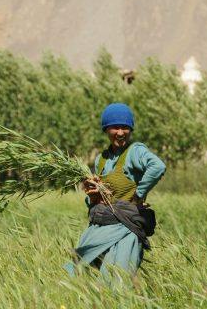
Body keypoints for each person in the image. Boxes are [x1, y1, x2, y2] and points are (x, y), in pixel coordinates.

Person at [65, 103, 166, 281]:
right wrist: (93, 194)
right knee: (79, 275)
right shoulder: (101, 160)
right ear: (106, 129)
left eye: (125, 127)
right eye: (115, 127)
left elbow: (157, 166)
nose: (121, 132)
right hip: (100, 228)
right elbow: (99, 199)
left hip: (125, 230)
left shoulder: (135, 151)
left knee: (116, 281)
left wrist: (139, 195)